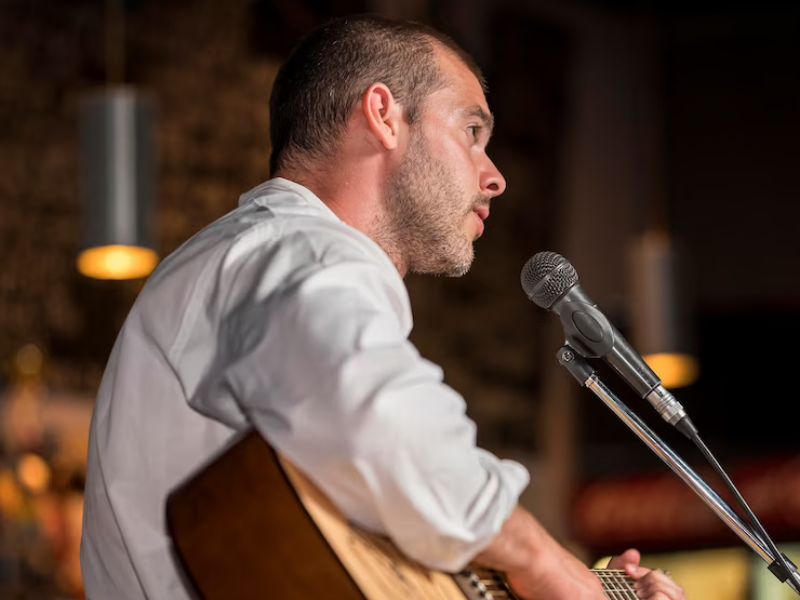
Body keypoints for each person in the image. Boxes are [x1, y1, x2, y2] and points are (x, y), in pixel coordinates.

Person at [80, 15, 685, 600]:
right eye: (471, 132)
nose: (496, 176)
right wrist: (547, 564)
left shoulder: (259, 258)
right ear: (384, 115)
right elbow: (378, 421)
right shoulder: (298, 246)